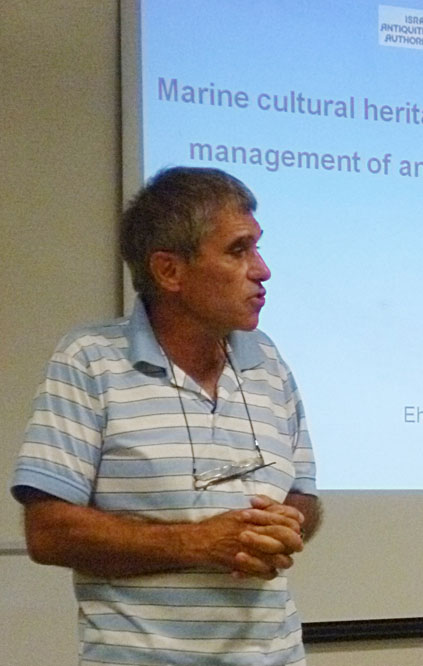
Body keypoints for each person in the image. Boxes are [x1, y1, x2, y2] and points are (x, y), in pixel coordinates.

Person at [11, 166, 321, 666]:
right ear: (169, 271)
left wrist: (287, 525)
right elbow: (48, 532)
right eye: (238, 251)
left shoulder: (267, 360)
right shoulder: (90, 359)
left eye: (257, 247)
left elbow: (303, 495)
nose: (262, 270)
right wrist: (197, 543)